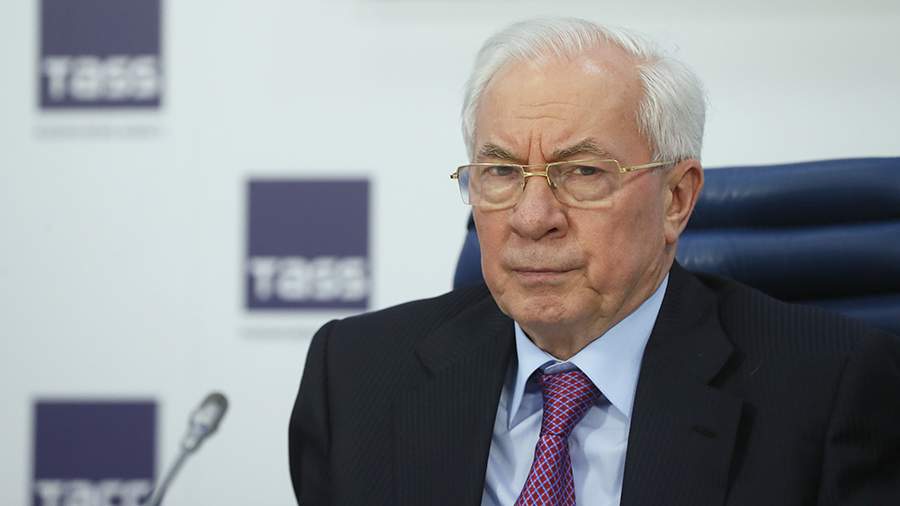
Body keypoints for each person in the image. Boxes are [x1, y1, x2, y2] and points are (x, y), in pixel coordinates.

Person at [288, 18, 900, 506]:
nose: (532, 217)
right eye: (501, 170)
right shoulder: (355, 376)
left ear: (677, 198)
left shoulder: (831, 392)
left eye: (582, 171)